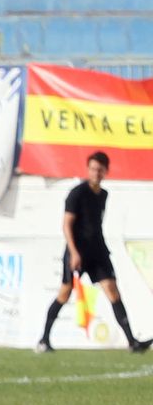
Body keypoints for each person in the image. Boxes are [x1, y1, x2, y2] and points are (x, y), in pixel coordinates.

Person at [36, 151, 151, 353]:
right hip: (77, 251)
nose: (95, 173)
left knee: (113, 291)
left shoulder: (103, 195)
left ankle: (132, 342)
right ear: (88, 170)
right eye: (92, 169)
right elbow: (66, 225)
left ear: (105, 171)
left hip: (97, 251)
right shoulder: (77, 193)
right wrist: (74, 252)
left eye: (99, 169)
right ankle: (44, 339)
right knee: (64, 293)